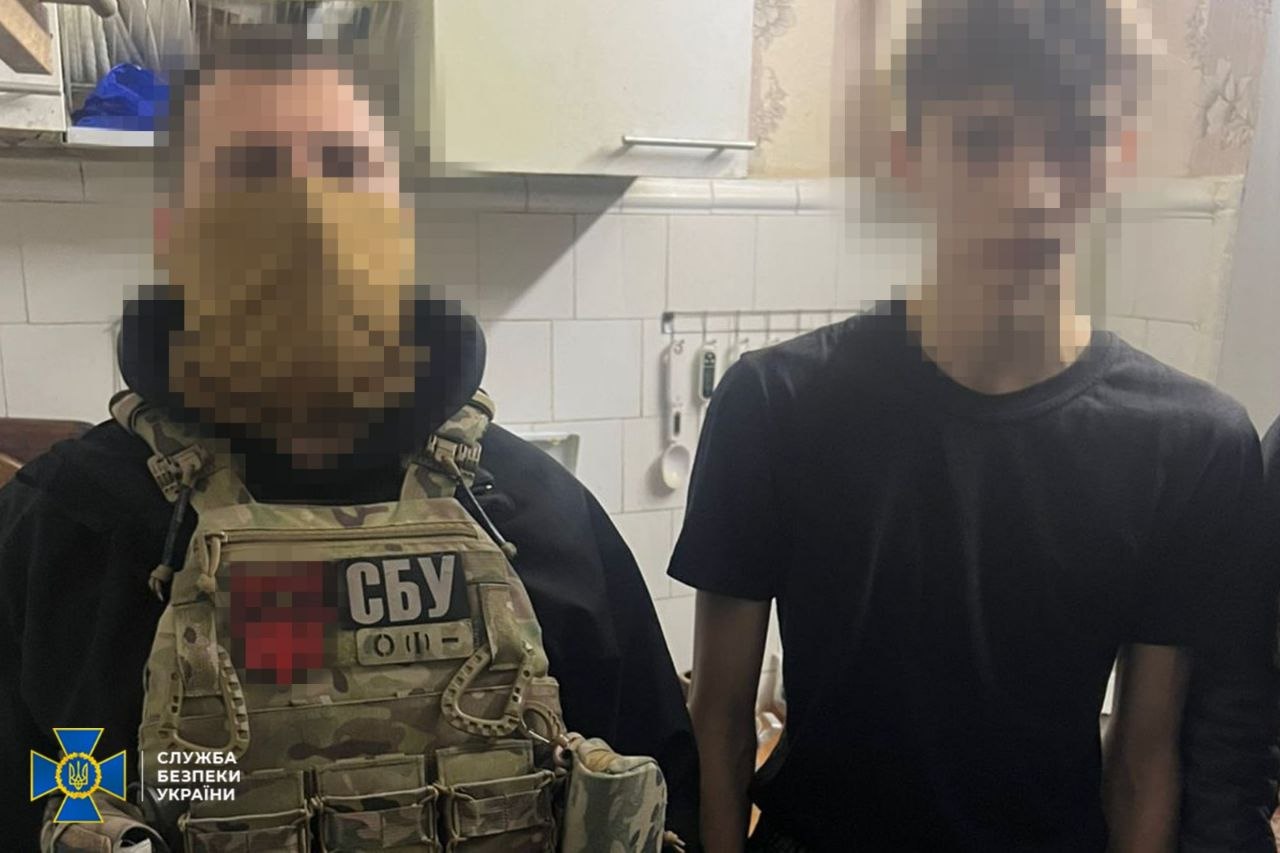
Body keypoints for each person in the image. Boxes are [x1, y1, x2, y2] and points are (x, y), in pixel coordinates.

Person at [0, 24, 698, 849]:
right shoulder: (65, 529)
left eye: (343, 164)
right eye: (252, 168)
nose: (306, 211)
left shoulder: (545, 517)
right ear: (173, 232)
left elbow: (659, 806)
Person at [671, 1, 1266, 850]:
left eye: (1072, 142)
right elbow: (721, 721)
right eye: (984, 141)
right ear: (909, 156)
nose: (1030, 189)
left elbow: (1143, 759)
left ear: (1117, 161)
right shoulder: (775, 404)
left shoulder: (1193, 445)